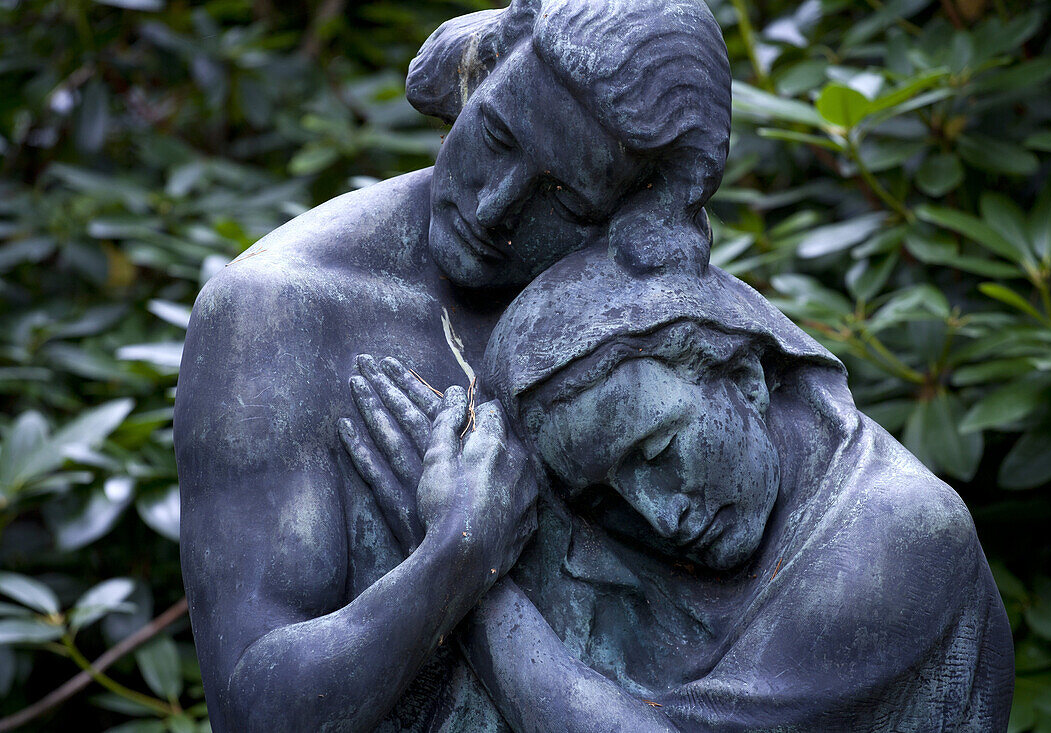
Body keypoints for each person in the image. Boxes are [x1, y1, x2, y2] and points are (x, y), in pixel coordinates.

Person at [173, 0, 732, 730]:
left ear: (632, 208)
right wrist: (457, 559)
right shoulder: (275, 316)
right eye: (497, 135)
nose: (496, 208)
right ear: (480, 72)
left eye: (562, 195)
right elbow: (256, 708)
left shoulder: (651, 313)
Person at [349, 246, 1015, 731]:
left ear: (747, 378)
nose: (657, 514)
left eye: (659, 450)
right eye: (605, 495)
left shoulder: (896, 534)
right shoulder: (678, 521)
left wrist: (463, 569)